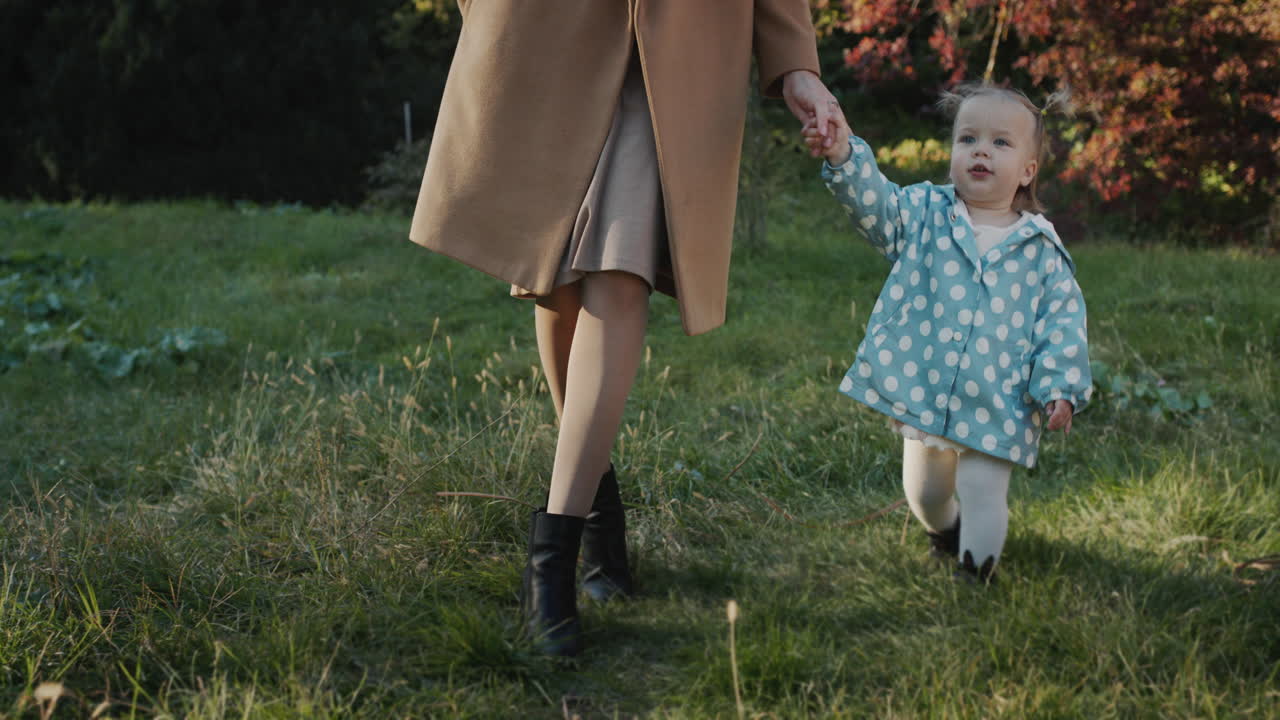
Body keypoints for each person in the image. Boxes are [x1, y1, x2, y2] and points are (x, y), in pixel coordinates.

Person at [409, 1, 839, 656]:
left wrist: (794, 63)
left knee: (620, 269)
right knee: (554, 279)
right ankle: (598, 521)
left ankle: (549, 561)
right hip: (550, 31)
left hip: (682, 49)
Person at [803, 84, 1092, 583]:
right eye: (968, 139)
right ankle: (947, 532)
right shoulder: (925, 214)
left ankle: (976, 577)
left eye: (1001, 143)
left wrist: (1059, 387)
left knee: (984, 489)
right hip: (928, 388)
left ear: (1027, 170)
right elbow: (878, 208)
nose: (981, 150)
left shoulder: (1040, 250)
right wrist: (843, 153)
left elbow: (1061, 323)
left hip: (998, 399)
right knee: (926, 494)